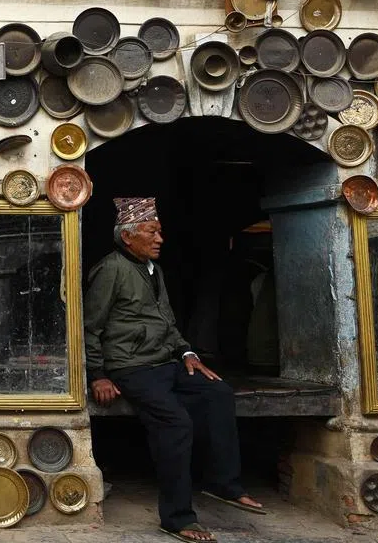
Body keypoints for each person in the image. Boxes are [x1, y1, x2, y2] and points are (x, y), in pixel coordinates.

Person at [84, 197, 265, 543]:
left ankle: (222, 484)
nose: (159, 239)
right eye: (152, 231)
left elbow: (167, 322)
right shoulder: (111, 270)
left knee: (218, 394)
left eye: (160, 231)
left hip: (166, 362)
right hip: (132, 368)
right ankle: (177, 517)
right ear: (128, 237)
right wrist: (98, 375)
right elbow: (90, 327)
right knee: (176, 422)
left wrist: (188, 353)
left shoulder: (154, 270)